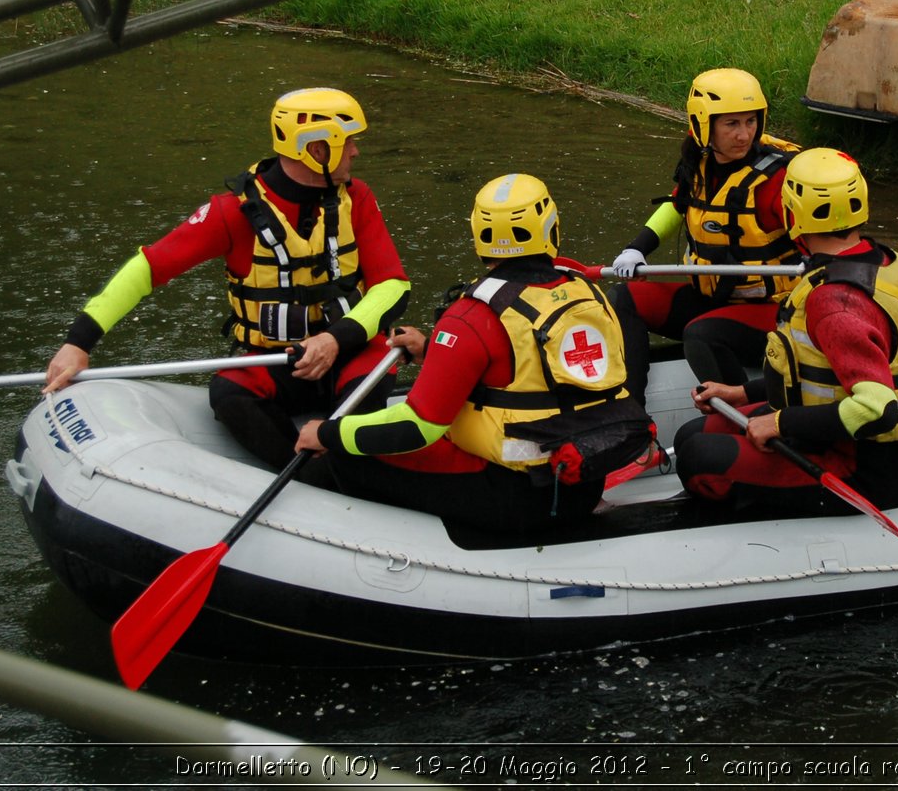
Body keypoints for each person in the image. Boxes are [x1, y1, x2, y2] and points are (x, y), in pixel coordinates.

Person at [44, 87, 411, 471]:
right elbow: (148, 269)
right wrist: (78, 343)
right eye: (349, 142)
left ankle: (350, 466)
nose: (356, 152)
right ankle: (306, 473)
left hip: (349, 352)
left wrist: (335, 339)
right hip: (277, 359)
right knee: (229, 393)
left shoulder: (358, 198)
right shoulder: (230, 214)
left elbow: (393, 286)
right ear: (317, 149)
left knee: (369, 388)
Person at [295, 173, 653, 534]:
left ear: (480, 237)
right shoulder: (588, 294)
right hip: (584, 479)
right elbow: (535, 370)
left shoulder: (471, 317)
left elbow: (416, 427)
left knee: (350, 453)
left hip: (519, 497)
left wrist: (327, 434)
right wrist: (431, 351)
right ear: (551, 228)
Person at [674, 148, 898, 514]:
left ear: (792, 214)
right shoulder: (888, 261)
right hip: (826, 431)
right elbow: (822, 372)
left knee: (697, 456)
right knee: (691, 434)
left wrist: (779, 422)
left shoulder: (834, 303)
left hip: (857, 468)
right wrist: (742, 392)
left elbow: (878, 410)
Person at [609, 68, 800, 386]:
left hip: (775, 314)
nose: (744, 135)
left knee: (700, 335)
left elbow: (820, 242)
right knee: (624, 297)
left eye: (750, 121)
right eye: (731, 124)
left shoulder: (776, 181)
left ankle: (744, 421)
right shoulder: (698, 161)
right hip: (714, 299)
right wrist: (636, 248)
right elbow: (679, 205)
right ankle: (631, 413)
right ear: (703, 125)